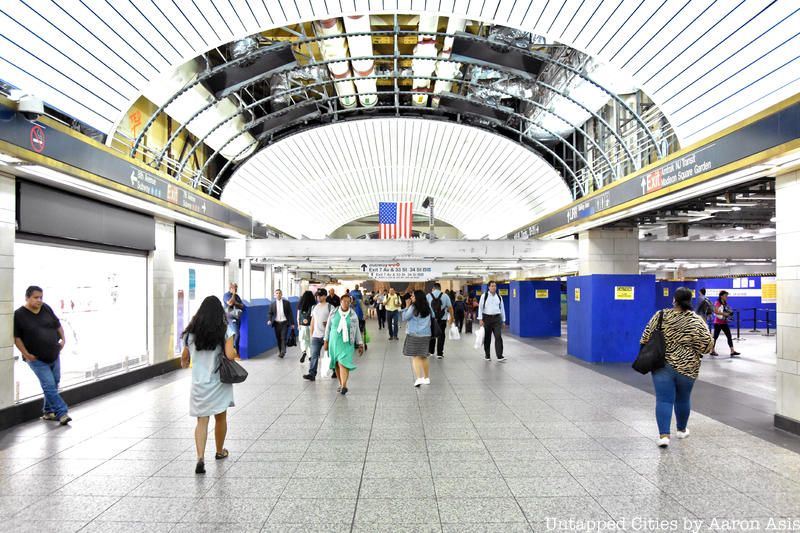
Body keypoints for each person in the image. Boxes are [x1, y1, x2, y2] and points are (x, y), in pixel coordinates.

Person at [640, 287, 714, 448]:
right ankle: (681, 430)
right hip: (688, 366)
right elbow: (708, 346)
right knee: (683, 398)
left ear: (674, 300)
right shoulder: (696, 321)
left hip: (661, 364)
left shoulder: (661, 315)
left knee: (664, 399)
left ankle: (664, 436)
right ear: (690, 301)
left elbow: (645, 337)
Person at [180, 295, 238, 473]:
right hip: (218, 382)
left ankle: (200, 457)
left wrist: (186, 362)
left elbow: (184, 358)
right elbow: (230, 355)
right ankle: (220, 451)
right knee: (220, 418)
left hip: (199, 383)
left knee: (201, 421)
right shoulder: (225, 330)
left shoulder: (190, 333)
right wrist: (234, 350)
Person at [14, 285, 71, 425]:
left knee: (55, 381)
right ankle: (62, 412)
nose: (39, 300)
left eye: (41, 297)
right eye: (35, 297)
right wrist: (26, 354)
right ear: (27, 298)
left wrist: (63, 339)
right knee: (49, 385)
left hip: (53, 354)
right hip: (36, 358)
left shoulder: (46, 308)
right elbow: (17, 338)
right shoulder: (19, 314)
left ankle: (47, 411)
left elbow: (57, 324)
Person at [323, 294, 364, 395]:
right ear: (340, 302)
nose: (346, 303)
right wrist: (326, 341)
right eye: (344, 301)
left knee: (343, 363)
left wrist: (360, 344)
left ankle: (344, 385)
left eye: (348, 301)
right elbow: (328, 327)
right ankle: (341, 384)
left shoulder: (353, 315)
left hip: (347, 343)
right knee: (336, 364)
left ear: (350, 303)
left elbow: (357, 330)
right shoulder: (333, 312)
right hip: (334, 342)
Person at [402, 289, 433, 387]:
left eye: (413, 296)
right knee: (424, 356)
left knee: (415, 356)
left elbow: (405, 318)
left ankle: (419, 378)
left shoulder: (413, 307)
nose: (411, 297)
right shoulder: (428, 307)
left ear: (417, 297)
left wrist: (406, 306)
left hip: (414, 335)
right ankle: (426, 378)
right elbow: (434, 316)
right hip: (426, 335)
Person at [304, 288, 334, 381]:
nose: (318, 297)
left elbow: (334, 321)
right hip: (316, 336)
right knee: (314, 355)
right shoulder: (314, 307)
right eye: (317, 295)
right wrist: (312, 334)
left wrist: (329, 323)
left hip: (327, 336)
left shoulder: (330, 307)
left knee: (331, 355)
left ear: (325, 296)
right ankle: (312, 373)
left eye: (320, 295)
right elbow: (313, 321)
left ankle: (335, 370)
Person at [478, 282, 507, 362]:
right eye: (492, 286)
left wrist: (503, 320)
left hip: (497, 319)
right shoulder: (484, 296)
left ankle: (499, 356)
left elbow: (502, 309)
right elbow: (480, 308)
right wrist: (480, 319)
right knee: (487, 338)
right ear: (488, 287)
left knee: (498, 336)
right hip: (487, 319)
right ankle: (487, 355)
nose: (494, 287)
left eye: (495, 286)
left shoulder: (499, 297)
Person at [427, 283, 454, 359]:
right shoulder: (445, 296)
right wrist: (452, 318)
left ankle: (431, 352)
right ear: (440, 288)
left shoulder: (428, 296)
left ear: (433, 288)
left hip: (431, 319)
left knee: (431, 334)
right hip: (442, 319)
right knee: (441, 335)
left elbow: (425, 307)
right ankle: (439, 353)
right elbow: (450, 308)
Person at [712, 290, 740, 357]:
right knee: (715, 337)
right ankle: (712, 350)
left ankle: (732, 351)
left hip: (724, 322)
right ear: (721, 296)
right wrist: (724, 313)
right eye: (725, 295)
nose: (727, 297)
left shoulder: (725, 303)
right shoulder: (717, 303)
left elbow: (726, 310)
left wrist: (729, 314)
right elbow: (715, 311)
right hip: (718, 323)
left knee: (729, 336)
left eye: (727, 295)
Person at [268, 289, 295, 358]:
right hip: (276, 323)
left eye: (279, 293)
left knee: (283, 337)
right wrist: (269, 320)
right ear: (274, 295)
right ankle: (281, 351)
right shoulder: (272, 304)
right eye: (276, 293)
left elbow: (290, 313)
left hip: (284, 323)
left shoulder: (286, 303)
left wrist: (292, 323)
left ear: (281, 294)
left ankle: (283, 351)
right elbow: (270, 313)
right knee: (278, 338)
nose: (278, 294)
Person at [223, 282, 245, 353]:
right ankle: (235, 352)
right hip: (230, 318)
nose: (236, 289)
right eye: (235, 287)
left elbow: (242, 306)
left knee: (237, 334)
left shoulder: (237, 296)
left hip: (237, 317)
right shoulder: (226, 295)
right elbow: (230, 303)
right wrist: (233, 294)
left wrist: (236, 302)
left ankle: (234, 351)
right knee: (236, 334)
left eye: (236, 287)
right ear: (231, 288)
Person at [296, 290, 315, 363]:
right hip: (310, 325)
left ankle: (304, 352)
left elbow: (298, 317)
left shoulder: (300, 306)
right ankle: (310, 356)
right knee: (310, 341)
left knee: (303, 340)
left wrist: (298, 325)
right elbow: (314, 317)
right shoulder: (313, 306)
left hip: (302, 326)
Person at [350, 284, 367, 351]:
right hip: (352, 319)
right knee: (353, 331)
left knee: (360, 330)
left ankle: (358, 342)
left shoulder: (359, 301)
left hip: (360, 318)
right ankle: (354, 343)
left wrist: (365, 315)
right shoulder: (349, 304)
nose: (352, 302)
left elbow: (364, 307)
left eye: (352, 301)